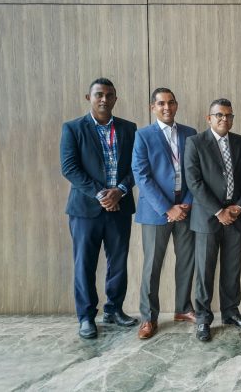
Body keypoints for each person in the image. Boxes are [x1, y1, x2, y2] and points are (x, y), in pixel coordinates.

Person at [60, 77, 138, 339]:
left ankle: (114, 310)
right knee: (85, 264)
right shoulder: (73, 128)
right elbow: (69, 168)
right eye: (99, 95)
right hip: (85, 210)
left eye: (109, 95)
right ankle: (86, 317)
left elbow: (136, 166)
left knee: (118, 262)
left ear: (115, 98)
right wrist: (102, 194)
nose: (104, 99)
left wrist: (120, 191)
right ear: (89, 98)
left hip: (120, 207)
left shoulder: (129, 128)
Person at [184, 98, 241, 342]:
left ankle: (231, 312)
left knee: (232, 269)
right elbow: (194, 182)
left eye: (229, 115)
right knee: (204, 271)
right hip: (207, 218)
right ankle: (203, 319)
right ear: (209, 118)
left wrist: (239, 206)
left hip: (236, 216)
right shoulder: (195, 142)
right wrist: (218, 211)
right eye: (219, 115)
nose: (225, 119)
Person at [132, 88, 197, 339]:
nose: (166, 107)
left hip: (186, 209)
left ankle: (183, 308)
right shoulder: (143, 135)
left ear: (176, 105)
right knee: (152, 266)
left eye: (171, 103)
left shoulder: (190, 133)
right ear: (153, 108)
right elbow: (142, 176)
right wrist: (168, 208)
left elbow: (195, 171)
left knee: (187, 260)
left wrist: (186, 203)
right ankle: (148, 318)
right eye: (161, 103)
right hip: (156, 211)